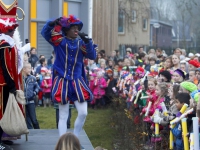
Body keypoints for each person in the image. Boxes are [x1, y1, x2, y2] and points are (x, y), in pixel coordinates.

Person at [41, 15, 97, 148]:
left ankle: (75, 141)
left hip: (78, 82)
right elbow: (44, 33)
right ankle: (62, 144)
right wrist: (52, 23)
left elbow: (92, 56)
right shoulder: (59, 41)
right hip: (62, 81)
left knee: (83, 112)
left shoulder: (81, 43)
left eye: (78, 28)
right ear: (66, 30)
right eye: (73, 28)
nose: (76, 30)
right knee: (63, 115)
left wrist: (88, 41)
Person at [0, 1, 27, 149]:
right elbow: (5, 66)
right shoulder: (4, 43)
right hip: (3, 83)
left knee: (5, 111)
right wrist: (11, 84)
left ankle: (4, 137)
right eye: (11, 29)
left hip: (7, 82)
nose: (13, 32)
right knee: (2, 112)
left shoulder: (9, 42)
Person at [23, 63, 40, 129]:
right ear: (24, 69)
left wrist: (34, 93)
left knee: (33, 118)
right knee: (27, 118)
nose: (30, 70)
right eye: (29, 68)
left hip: (31, 101)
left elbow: (37, 87)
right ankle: (30, 130)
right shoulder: (21, 78)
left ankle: (38, 131)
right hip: (23, 101)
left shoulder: (32, 78)